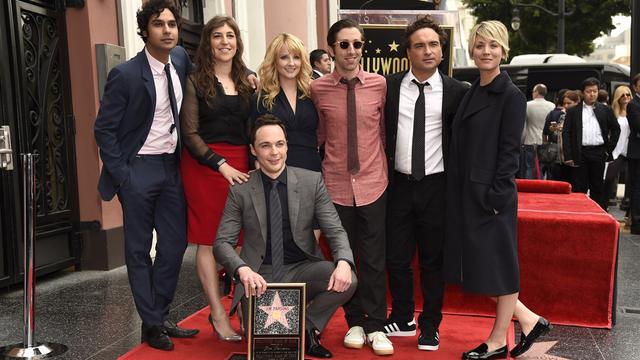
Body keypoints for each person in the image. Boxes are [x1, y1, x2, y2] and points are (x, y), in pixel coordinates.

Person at [93, 0, 198, 351]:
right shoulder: (124, 75)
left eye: (172, 24)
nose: (167, 30)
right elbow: (104, 130)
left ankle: (160, 315)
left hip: (171, 167)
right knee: (139, 250)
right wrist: (123, 175)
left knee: (174, 244)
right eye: (159, 24)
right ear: (144, 30)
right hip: (137, 168)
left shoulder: (181, 59)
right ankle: (153, 324)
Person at [444, 20, 552, 360]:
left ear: (504, 51)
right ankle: (530, 320)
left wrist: (495, 198)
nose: (486, 51)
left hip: (492, 197)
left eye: (493, 45)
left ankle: (495, 341)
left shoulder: (511, 95)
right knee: (479, 268)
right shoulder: (471, 90)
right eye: (480, 45)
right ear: (472, 51)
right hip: (467, 194)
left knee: (499, 269)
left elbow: (510, 153)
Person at [213, 115, 357, 358]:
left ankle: (308, 328)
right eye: (265, 145)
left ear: (287, 145)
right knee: (267, 346)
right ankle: (275, 325)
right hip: (258, 277)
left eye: (280, 144)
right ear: (253, 150)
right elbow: (221, 243)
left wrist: (343, 261)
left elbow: (335, 229)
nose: (274, 152)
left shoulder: (312, 181)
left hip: (302, 269)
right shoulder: (241, 189)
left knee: (349, 279)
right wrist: (242, 270)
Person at [382, 15, 467, 352]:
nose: (427, 50)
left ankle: (430, 325)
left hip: (437, 187)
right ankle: (403, 317)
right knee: (396, 257)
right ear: (408, 52)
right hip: (397, 185)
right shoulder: (387, 86)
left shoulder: (458, 92)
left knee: (433, 260)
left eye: (433, 44)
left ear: (442, 52)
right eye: (419, 45)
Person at [310, 19, 393, 356]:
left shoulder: (380, 85)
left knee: (374, 258)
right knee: (345, 258)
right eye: (344, 44)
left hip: (374, 182)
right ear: (332, 48)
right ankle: (355, 320)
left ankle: (376, 325)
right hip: (335, 186)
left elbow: (384, 133)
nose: (351, 51)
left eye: (357, 44)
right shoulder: (318, 90)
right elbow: (317, 137)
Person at [179, 15, 255, 342]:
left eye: (230, 36)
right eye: (218, 36)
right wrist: (220, 164)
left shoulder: (247, 80)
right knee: (210, 240)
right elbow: (190, 133)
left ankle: (240, 306)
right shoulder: (195, 80)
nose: (225, 42)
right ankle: (218, 312)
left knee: (242, 238)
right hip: (205, 166)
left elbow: (252, 127)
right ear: (207, 42)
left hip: (242, 162)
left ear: (237, 42)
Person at [253, 33, 321, 173]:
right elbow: (251, 135)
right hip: (275, 170)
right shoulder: (261, 98)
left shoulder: (313, 93)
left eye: (296, 57)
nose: (291, 63)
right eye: (284, 57)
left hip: (312, 168)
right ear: (274, 61)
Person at [562, 77, 620, 209]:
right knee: (579, 187)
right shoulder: (573, 111)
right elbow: (566, 133)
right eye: (589, 91)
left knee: (597, 187)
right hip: (580, 153)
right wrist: (568, 155)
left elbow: (616, 129)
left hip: (599, 152)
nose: (592, 94)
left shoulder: (605, 110)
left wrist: (608, 149)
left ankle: (597, 215)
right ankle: (580, 214)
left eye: (595, 91)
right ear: (583, 93)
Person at [540, 90, 580, 181]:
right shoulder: (563, 115)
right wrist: (555, 129)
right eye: (564, 103)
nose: (566, 105)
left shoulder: (580, 116)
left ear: (576, 102)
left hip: (574, 155)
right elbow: (551, 132)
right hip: (560, 155)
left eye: (569, 103)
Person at [603, 86, 632, 210]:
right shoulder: (612, 112)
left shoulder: (635, 111)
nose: (625, 97)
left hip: (631, 151)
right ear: (618, 97)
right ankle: (604, 204)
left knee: (631, 182)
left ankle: (628, 210)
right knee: (609, 178)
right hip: (616, 150)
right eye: (622, 95)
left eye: (628, 94)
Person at [521, 84, 555, 179]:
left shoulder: (527, 105)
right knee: (543, 167)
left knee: (529, 167)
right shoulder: (552, 106)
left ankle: (528, 188)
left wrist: (522, 140)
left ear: (536, 92)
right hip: (545, 141)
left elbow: (524, 125)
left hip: (530, 140)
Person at [627, 74, 640, 234]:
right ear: (635, 87)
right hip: (637, 153)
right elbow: (637, 126)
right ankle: (636, 222)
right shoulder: (633, 104)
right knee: (637, 188)